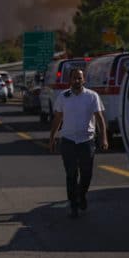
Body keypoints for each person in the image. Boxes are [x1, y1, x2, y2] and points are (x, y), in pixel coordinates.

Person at [48, 68, 109, 217]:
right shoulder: (63, 97)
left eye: (79, 78)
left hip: (86, 141)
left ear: (84, 80)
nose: (77, 81)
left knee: (86, 173)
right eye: (74, 78)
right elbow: (58, 119)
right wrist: (52, 138)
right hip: (68, 140)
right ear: (70, 80)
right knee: (71, 174)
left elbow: (100, 118)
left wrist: (104, 138)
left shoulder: (92, 96)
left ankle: (81, 195)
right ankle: (73, 205)